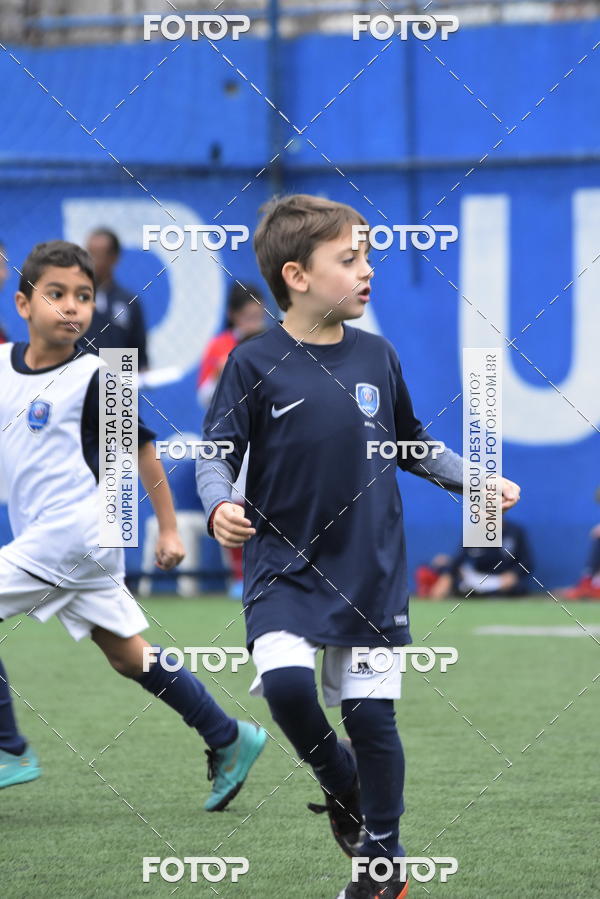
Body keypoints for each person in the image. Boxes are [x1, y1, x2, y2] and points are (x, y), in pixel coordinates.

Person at [196, 194, 522, 898]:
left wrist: (474, 479)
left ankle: (383, 863)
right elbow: (214, 454)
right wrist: (220, 501)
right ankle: (338, 780)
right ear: (297, 275)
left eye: (368, 255)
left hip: (369, 563)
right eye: (349, 259)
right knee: (285, 685)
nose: (367, 270)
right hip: (283, 565)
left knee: (372, 716)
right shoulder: (252, 362)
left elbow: (415, 444)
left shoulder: (378, 354)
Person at [0, 240, 266, 804]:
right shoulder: (1, 367)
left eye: (84, 296)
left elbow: (143, 452)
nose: (72, 307)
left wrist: (168, 529)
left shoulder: (100, 375)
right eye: (56, 294)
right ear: (23, 304)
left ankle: (8, 747)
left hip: (77, 532)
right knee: (127, 653)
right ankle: (228, 736)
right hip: (52, 541)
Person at [197, 282, 267, 598]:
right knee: (235, 499)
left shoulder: (274, 342)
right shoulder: (219, 346)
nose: (254, 322)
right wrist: (220, 373)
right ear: (233, 315)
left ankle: (268, 571)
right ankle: (238, 578)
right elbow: (204, 396)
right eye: (247, 316)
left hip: (268, 433)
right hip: (236, 434)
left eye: (259, 315)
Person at [416, 519, 533, 599]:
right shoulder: (474, 531)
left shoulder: (515, 532)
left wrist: (513, 575)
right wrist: (447, 575)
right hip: (478, 579)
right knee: (445, 567)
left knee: (516, 589)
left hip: (504, 580)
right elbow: (459, 558)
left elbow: (527, 562)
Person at [84, 228, 148, 369]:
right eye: (88, 253)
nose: (90, 261)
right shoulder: (72, 300)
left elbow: (140, 356)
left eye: (97, 255)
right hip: (79, 379)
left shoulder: (129, 302)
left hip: (115, 378)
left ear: (114, 258)